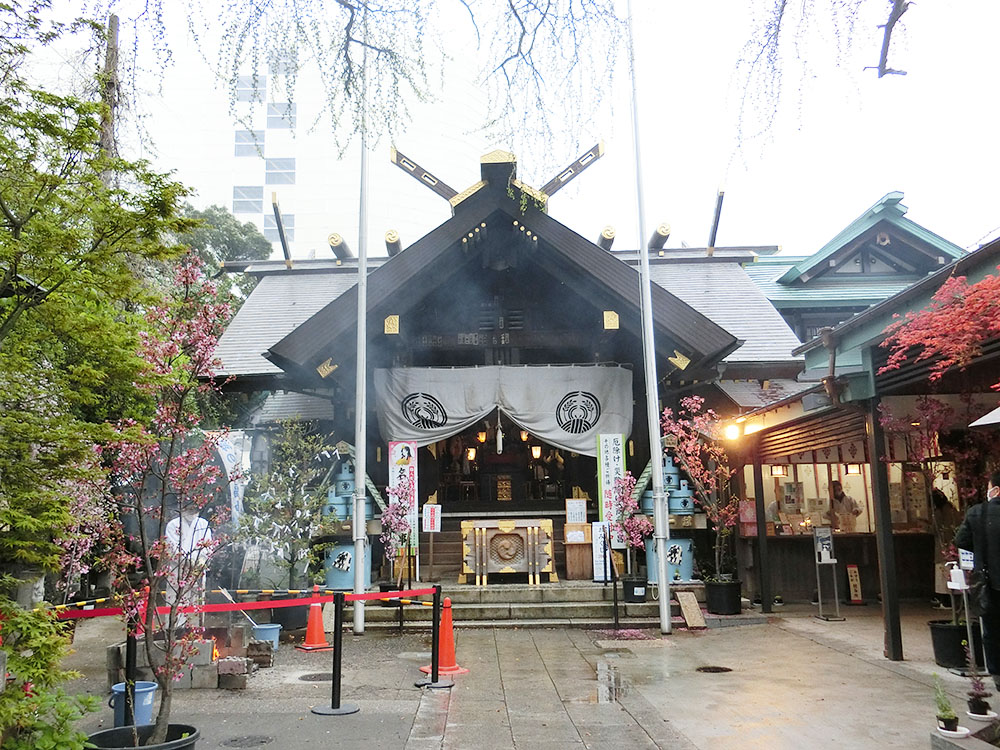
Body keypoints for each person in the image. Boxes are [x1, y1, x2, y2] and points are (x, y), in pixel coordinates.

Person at [955, 470, 1000, 690]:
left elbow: (961, 540)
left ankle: (997, 674)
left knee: (991, 629)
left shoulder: (978, 513)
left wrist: (981, 552)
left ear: (996, 490)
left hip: (988, 581)